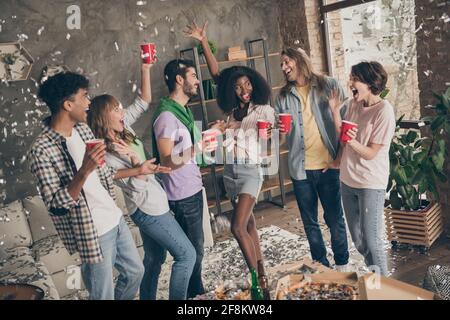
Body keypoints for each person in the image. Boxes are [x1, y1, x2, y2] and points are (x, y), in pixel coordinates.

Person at [27, 71, 167, 299]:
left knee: (135, 273)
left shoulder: (83, 130)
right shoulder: (41, 149)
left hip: (114, 217)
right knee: (103, 294)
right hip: (91, 231)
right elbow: (56, 205)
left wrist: (139, 170)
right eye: (85, 96)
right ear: (68, 104)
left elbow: (106, 172)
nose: (89, 102)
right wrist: (83, 170)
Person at [88, 62, 197, 300]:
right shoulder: (105, 154)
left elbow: (143, 101)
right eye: (116, 109)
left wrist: (145, 67)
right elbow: (134, 185)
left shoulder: (123, 128)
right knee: (187, 255)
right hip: (148, 209)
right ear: (104, 117)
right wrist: (138, 164)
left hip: (153, 202)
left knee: (154, 258)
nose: (122, 112)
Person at [185, 21, 275, 299]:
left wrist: (232, 128)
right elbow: (216, 76)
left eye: (246, 84)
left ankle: (257, 280)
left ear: (254, 83)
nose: (243, 89)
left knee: (236, 226)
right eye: (237, 87)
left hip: (251, 172)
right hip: (230, 173)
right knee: (249, 226)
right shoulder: (233, 110)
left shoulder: (263, 110)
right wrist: (203, 41)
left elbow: (262, 132)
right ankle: (263, 272)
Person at [275, 47, 350, 270]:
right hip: (301, 170)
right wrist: (278, 131)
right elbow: (280, 140)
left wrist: (338, 160)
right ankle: (321, 265)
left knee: (335, 219)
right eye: (282, 64)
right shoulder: (282, 96)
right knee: (310, 223)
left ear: (300, 60)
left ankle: (343, 264)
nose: (283, 67)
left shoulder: (329, 85)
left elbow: (346, 126)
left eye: (286, 62)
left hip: (329, 166)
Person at [151, 58, 217, 299]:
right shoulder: (167, 117)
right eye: (193, 76)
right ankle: (193, 296)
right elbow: (166, 159)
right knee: (192, 252)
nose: (198, 81)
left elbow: (187, 151)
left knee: (195, 250)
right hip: (180, 194)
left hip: (191, 188)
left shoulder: (183, 111)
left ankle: (195, 292)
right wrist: (198, 147)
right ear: (179, 80)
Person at [328, 61, 395, 276]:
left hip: (370, 183)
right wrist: (335, 111)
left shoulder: (384, 111)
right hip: (348, 180)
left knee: (373, 240)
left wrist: (351, 141)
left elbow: (371, 152)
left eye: (354, 78)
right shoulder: (354, 104)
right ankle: (376, 274)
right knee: (357, 239)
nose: (350, 83)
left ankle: (384, 286)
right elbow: (342, 134)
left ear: (369, 82)